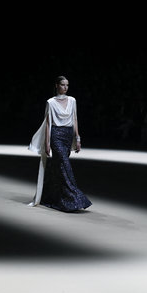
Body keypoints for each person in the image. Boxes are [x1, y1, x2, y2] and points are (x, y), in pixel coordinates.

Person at [28, 76, 92, 212]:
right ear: (56, 85)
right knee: (64, 163)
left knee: (59, 167)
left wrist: (78, 138)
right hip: (56, 135)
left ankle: (53, 197)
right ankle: (75, 197)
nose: (65, 87)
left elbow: (75, 118)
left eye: (67, 85)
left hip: (68, 135)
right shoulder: (50, 102)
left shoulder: (72, 100)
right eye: (62, 85)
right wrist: (47, 143)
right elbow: (48, 123)